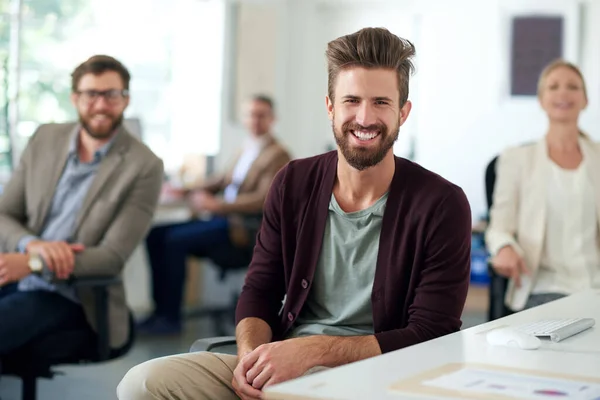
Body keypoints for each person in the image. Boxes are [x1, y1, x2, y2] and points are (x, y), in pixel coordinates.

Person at [117, 27, 471, 400]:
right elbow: (260, 289)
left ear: (403, 112)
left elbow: (433, 333)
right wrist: (250, 361)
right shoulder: (294, 181)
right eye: (351, 100)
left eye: (381, 103)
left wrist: (316, 350)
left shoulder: (441, 204)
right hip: (281, 360)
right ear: (330, 107)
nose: (365, 118)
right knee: (142, 384)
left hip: (370, 376)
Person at [0, 55, 164, 372]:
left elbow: (112, 256)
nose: (101, 105)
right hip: (14, 276)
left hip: (77, 298)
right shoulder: (46, 138)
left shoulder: (144, 165)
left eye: (111, 94)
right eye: (91, 94)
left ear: (125, 99)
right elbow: (5, 214)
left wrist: (35, 263)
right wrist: (31, 245)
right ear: (75, 98)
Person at [139, 94, 291, 335]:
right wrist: (185, 189)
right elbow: (222, 180)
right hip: (222, 220)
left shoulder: (278, 155)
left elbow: (264, 199)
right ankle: (159, 312)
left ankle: (169, 318)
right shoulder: (246, 147)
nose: (255, 120)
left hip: (241, 228)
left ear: (272, 119)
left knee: (173, 241)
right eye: (251, 114)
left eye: (261, 115)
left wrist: (217, 206)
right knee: (155, 235)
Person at [486, 59, 600, 311]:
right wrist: (504, 247)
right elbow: (498, 228)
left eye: (573, 86)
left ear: (585, 100)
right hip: (545, 289)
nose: (563, 93)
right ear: (541, 99)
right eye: (553, 86)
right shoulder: (516, 159)